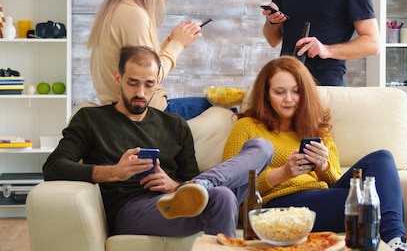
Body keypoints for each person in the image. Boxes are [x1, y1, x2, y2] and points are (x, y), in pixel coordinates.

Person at [43, 46, 274, 237]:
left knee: (262, 147)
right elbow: (53, 167)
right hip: (130, 209)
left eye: (149, 84)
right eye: (133, 83)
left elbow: (187, 176)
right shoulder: (92, 119)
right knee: (221, 195)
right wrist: (113, 172)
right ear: (118, 78)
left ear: (157, 82)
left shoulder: (174, 124)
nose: (141, 93)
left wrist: (174, 185)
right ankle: (203, 187)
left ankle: (204, 184)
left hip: (176, 198)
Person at [223, 56, 407, 251]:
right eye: (279, 92)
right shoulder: (247, 127)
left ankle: (395, 241)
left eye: (296, 91)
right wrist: (284, 173)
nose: (289, 99)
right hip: (277, 204)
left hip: (321, 195)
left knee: (382, 158)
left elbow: (335, 181)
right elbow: (232, 187)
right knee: (379, 202)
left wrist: (323, 166)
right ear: (266, 94)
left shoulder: (317, 129)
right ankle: (395, 241)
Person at [87, 0, 208, 120]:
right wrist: (177, 45)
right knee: (225, 110)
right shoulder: (134, 15)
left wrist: (171, 40)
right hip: (144, 112)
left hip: (119, 108)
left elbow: (139, 64)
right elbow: (150, 77)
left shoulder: (117, 8)